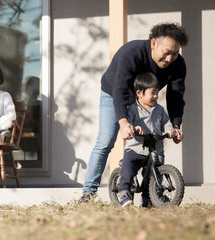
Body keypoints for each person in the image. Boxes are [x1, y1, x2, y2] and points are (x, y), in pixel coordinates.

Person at [79, 22, 188, 203]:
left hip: (144, 101)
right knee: (105, 141)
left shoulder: (178, 64)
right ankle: (88, 193)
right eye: (166, 51)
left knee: (154, 141)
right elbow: (120, 88)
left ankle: (154, 196)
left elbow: (176, 96)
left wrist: (176, 126)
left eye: (175, 53)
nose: (169, 58)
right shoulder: (132, 53)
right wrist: (123, 121)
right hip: (114, 92)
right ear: (153, 43)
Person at [118, 72, 178, 207]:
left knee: (152, 177)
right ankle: (123, 194)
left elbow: (166, 122)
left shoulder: (159, 110)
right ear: (139, 93)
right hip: (135, 147)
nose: (156, 96)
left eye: (157, 93)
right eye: (152, 93)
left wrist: (170, 130)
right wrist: (134, 128)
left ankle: (147, 201)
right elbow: (128, 123)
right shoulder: (133, 109)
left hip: (153, 149)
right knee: (127, 172)